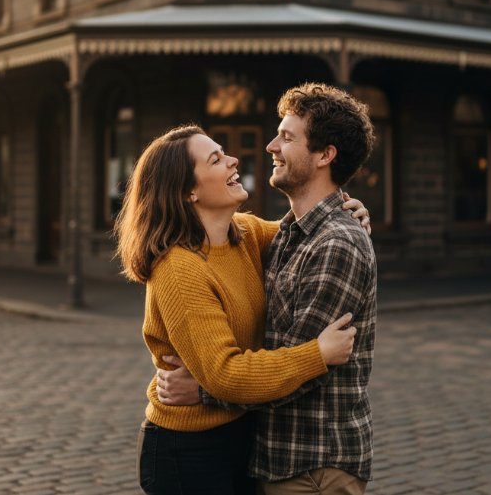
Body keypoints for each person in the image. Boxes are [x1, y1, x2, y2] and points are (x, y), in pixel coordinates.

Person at [113, 124, 371, 495]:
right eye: (216, 159)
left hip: (241, 434)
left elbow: (309, 230)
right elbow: (225, 374)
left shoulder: (245, 234)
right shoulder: (179, 270)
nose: (234, 159)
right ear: (188, 191)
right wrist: (317, 354)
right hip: (189, 451)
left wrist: (349, 212)